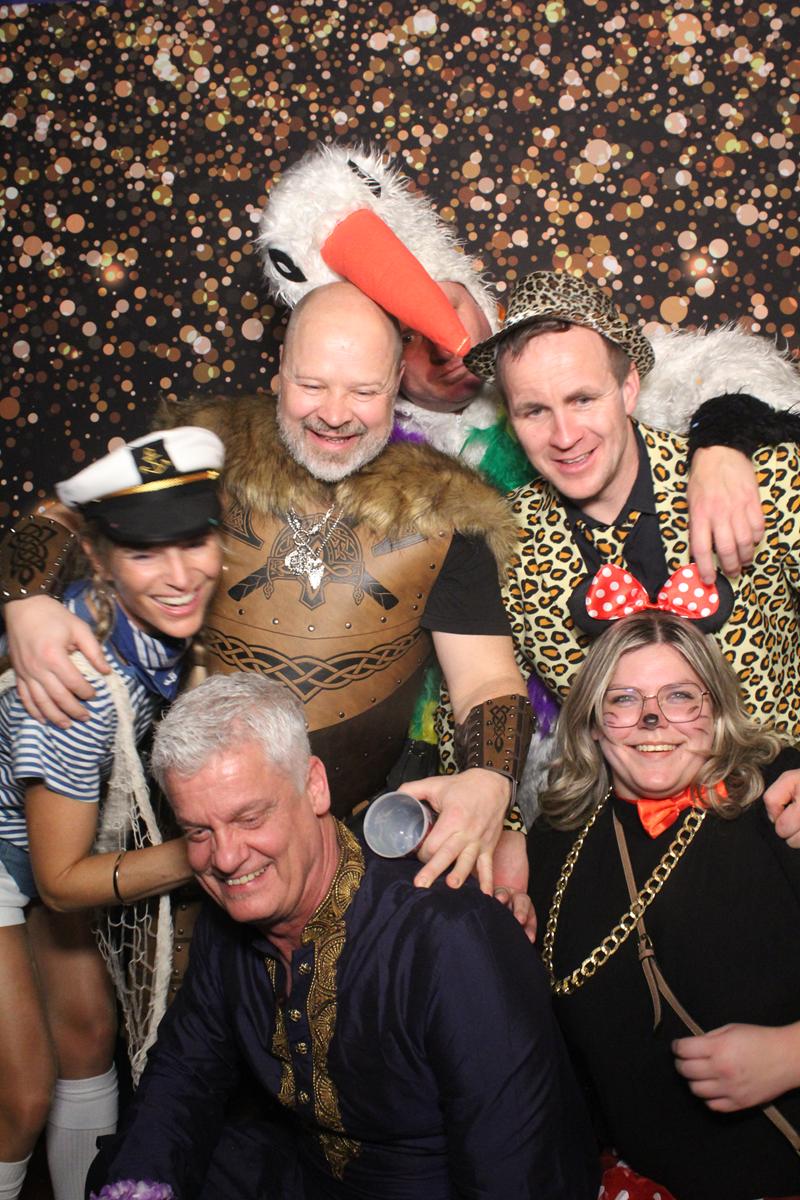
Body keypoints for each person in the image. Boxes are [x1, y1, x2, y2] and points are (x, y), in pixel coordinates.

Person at [1, 283, 534, 902]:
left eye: (363, 391)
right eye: (312, 384)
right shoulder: (206, 449)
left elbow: (485, 680)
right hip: (196, 849)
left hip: (358, 849)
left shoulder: (447, 510)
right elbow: (62, 513)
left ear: (396, 384)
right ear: (280, 371)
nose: (335, 413)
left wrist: (491, 777)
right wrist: (26, 600)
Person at [88, 672, 599, 1200]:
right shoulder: (231, 918)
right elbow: (184, 1073)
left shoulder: (451, 939)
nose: (226, 857)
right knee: (124, 1171)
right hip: (307, 1175)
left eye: (250, 817)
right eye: (199, 831)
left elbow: (518, 1173)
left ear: (314, 786)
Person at [0, 428, 224, 1200]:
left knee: (91, 1036)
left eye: (195, 541)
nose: (180, 575)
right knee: (23, 1093)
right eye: (144, 553)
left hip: (33, 841)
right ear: (99, 561)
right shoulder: (80, 687)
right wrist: (212, 847)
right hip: (17, 858)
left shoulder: (157, 631)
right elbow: (62, 883)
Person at [527, 609, 800, 1200]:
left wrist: (791, 1055)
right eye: (623, 699)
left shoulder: (782, 799)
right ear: (593, 723)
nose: (652, 719)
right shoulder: (553, 843)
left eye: (679, 696)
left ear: (717, 711)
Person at [462, 270, 800, 745]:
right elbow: (485, 696)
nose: (564, 436)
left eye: (582, 399)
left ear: (628, 390)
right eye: (535, 411)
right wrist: (489, 792)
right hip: (610, 792)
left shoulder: (755, 479)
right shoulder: (504, 540)